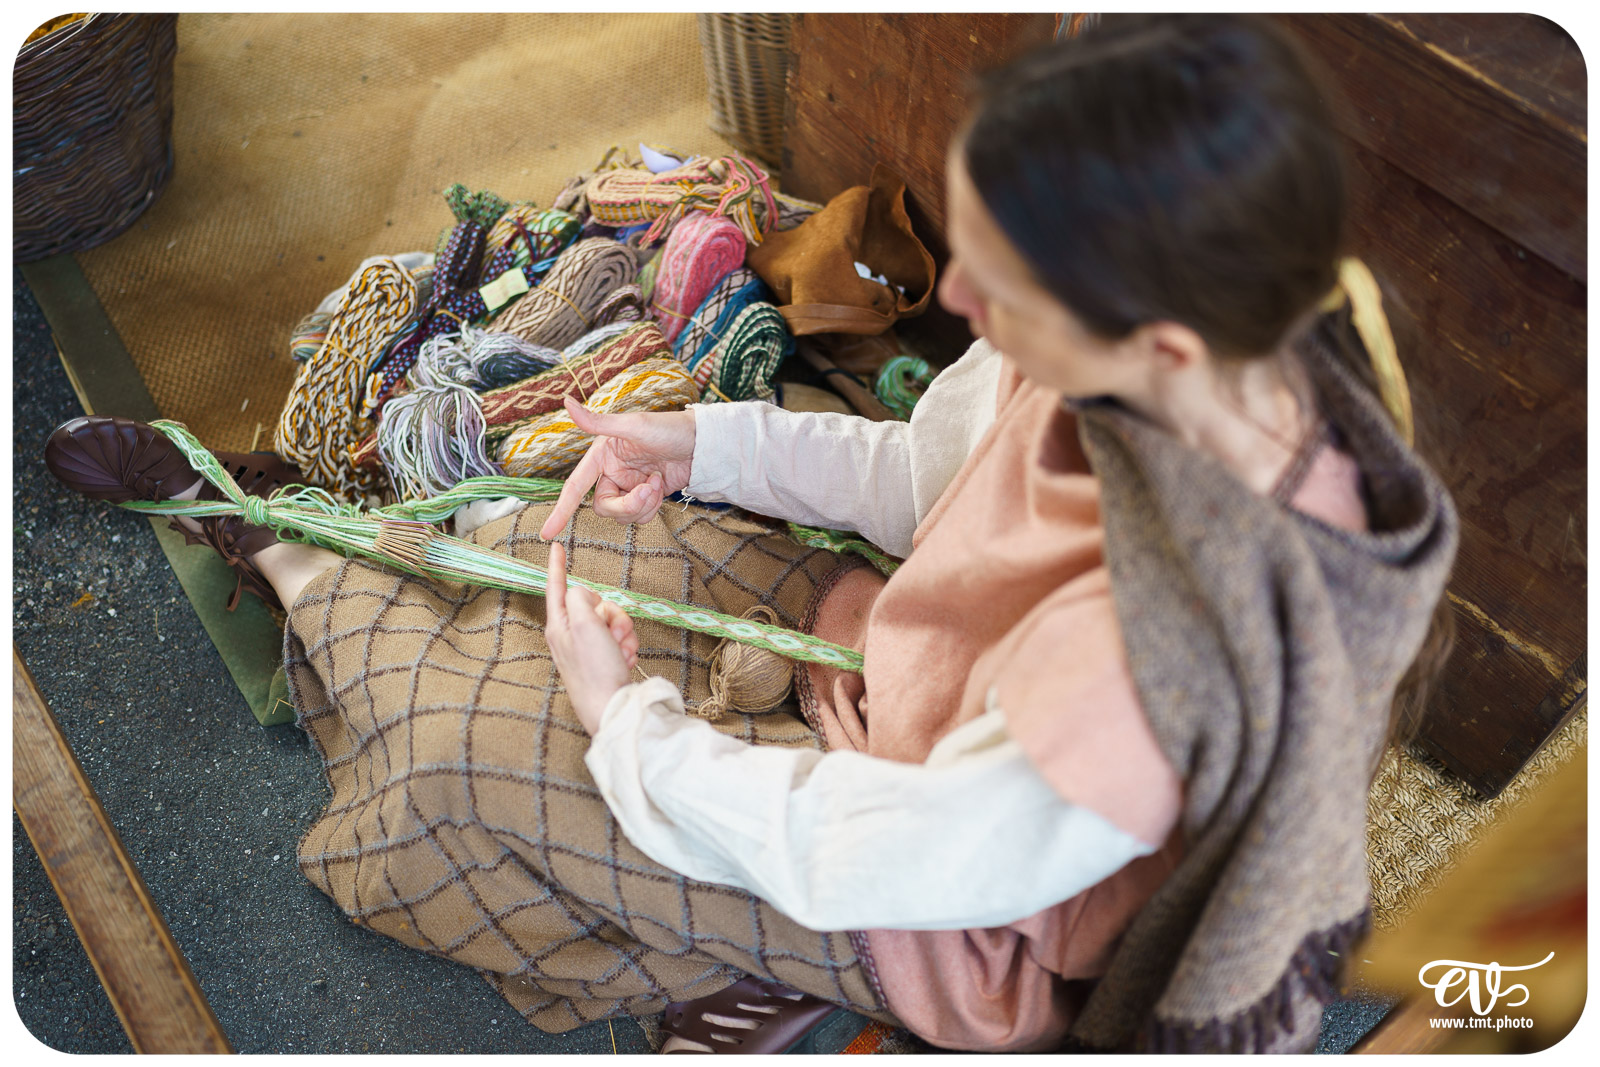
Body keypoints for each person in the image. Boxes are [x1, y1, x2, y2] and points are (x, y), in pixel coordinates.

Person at [46, 14, 1457, 1054]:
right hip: (912, 688)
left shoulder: (1152, 672)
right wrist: (703, 441)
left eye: (999, 279)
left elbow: (892, 854)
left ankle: (286, 550)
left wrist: (635, 733)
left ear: (1144, 338)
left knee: (457, 766)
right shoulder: (1173, 359)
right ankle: (320, 546)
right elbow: (926, 483)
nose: (952, 290)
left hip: (945, 909)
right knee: (565, 535)